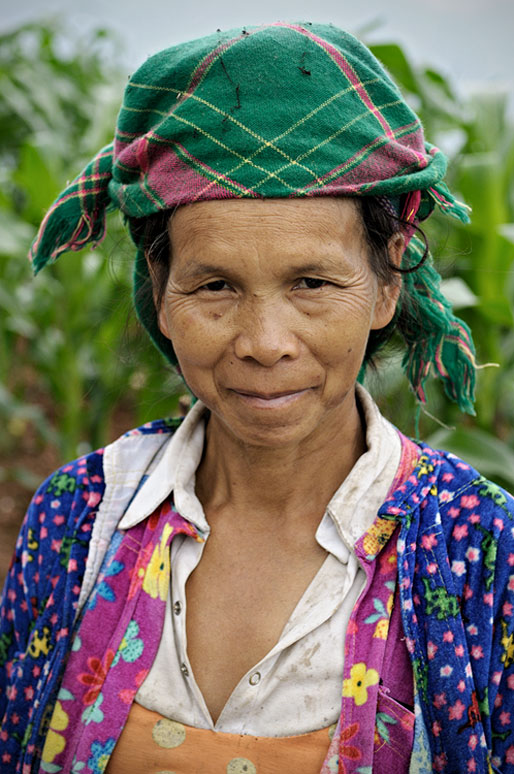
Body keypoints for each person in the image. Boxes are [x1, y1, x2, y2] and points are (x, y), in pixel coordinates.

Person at [1, 21, 513, 774]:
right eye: (215, 286)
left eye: (310, 283)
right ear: (159, 290)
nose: (264, 341)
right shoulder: (77, 522)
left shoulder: (479, 551)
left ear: (387, 284)